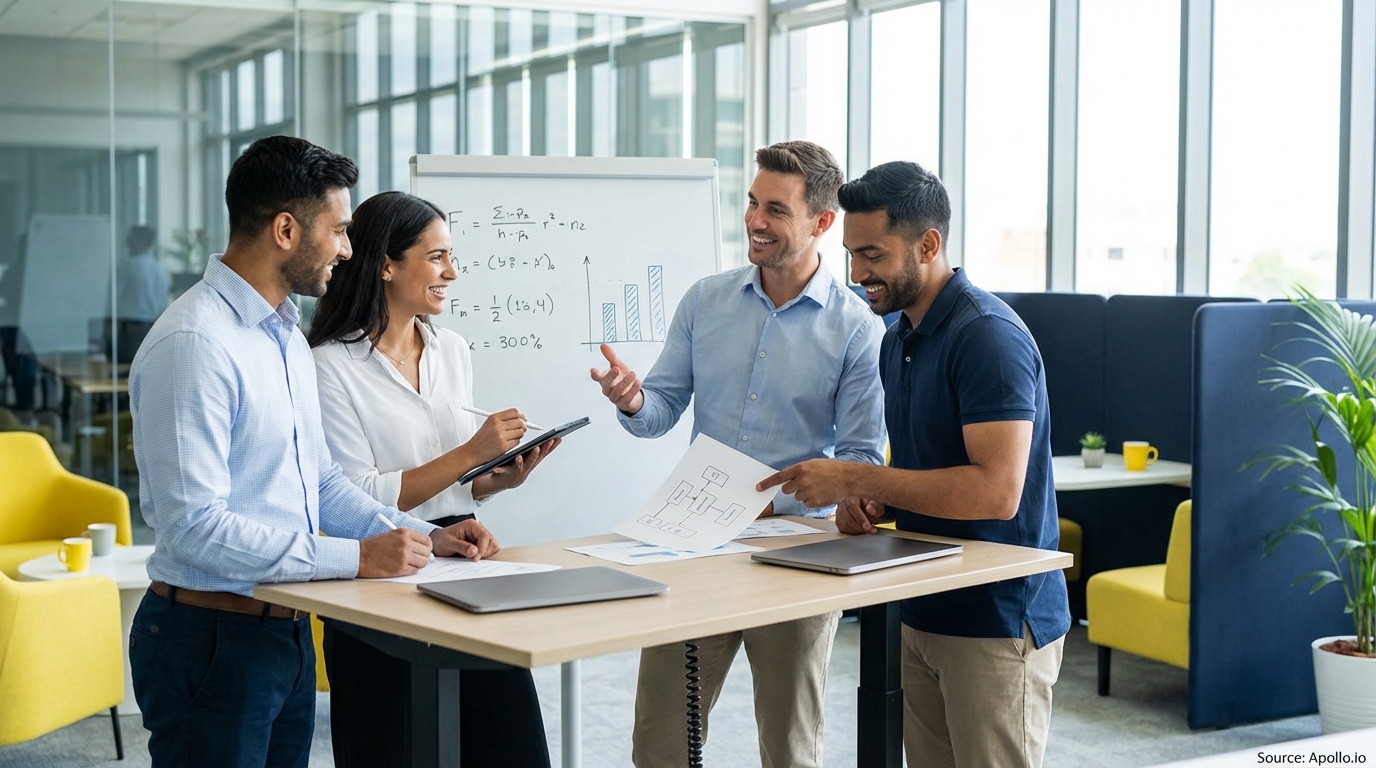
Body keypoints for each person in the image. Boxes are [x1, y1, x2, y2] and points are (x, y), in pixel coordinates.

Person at [127, 135, 489, 768]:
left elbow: (319, 484)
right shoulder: (196, 344)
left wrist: (424, 536)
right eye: (341, 231)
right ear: (287, 230)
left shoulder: (284, 335)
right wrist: (357, 559)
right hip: (212, 637)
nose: (348, 249)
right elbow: (194, 530)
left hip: (288, 628)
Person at [757, 160, 1070, 768]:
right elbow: (931, 468)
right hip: (923, 603)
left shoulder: (987, 337)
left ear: (928, 244)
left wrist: (854, 476)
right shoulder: (898, 335)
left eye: (872, 255)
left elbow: (996, 493)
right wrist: (878, 502)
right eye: (850, 254)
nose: (856, 274)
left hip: (996, 616)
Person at [590, 140, 886, 768]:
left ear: (822, 223)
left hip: (796, 553)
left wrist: (842, 498)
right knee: (661, 742)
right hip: (694, 541)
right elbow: (660, 413)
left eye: (776, 209)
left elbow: (859, 457)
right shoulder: (706, 300)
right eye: (752, 203)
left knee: (789, 746)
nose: (755, 220)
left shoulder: (858, 329)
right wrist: (634, 399)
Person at [308, 190, 559, 767]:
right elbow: (351, 498)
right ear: (386, 265)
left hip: (460, 557)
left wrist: (492, 479)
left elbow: (450, 480)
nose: (452, 272)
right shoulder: (326, 365)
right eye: (438, 256)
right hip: (376, 567)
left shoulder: (453, 350)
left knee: (508, 742)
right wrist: (471, 452)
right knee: (396, 746)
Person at [116, 224, 170, 323]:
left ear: (139, 241)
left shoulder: (127, 266)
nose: (127, 243)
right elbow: (163, 303)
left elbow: (114, 298)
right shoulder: (160, 269)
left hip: (129, 323)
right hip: (153, 323)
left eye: (131, 239)